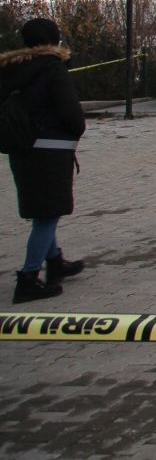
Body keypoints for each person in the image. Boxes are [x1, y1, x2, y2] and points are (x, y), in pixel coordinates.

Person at [3, 18, 85, 304]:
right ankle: (28, 277)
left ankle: (55, 261)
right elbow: (70, 113)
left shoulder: (11, 70)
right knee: (49, 213)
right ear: (54, 40)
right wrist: (77, 129)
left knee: (42, 210)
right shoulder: (53, 69)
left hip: (20, 149)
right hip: (52, 149)